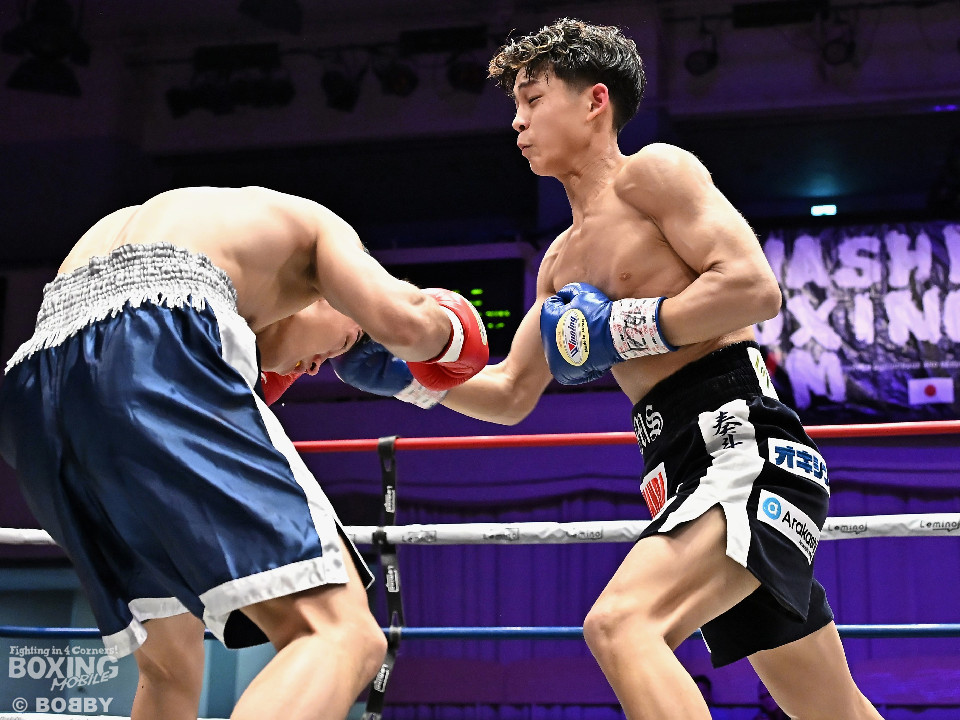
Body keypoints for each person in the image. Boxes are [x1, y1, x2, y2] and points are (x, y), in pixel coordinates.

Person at [330, 18, 884, 720]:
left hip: (741, 446)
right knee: (834, 712)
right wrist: (414, 376)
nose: (517, 121)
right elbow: (510, 392)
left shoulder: (655, 174)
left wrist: (622, 328)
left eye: (533, 99)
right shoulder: (558, 265)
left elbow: (753, 288)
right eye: (515, 106)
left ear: (595, 101)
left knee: (621, 626)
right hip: (679, 472)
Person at [0, 186, 488, 720]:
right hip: (154, 348)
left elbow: (508, 398)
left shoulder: (183, 225)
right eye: (348, 343)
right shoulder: (321, 228)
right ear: (335, 294)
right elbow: (406, 321)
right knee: (341, 633)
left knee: (168, 674)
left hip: (35, 391)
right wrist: (450, 333)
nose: (320, 367)